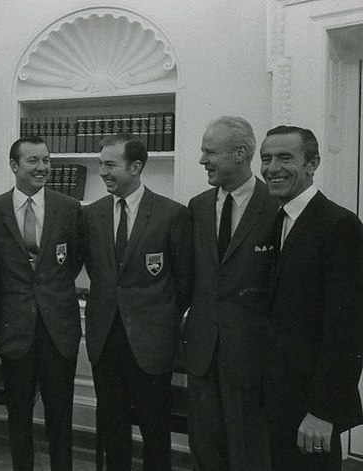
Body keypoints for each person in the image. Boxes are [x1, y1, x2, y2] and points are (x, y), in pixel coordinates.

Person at [82, 132, 192, 471]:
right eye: (101, 164)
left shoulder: (171, 214)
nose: (102, 172)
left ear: (137, 167)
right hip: (105, 340)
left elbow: (184, 282)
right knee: (113, 427)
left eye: (111, 165)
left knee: (154, 431)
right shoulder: (91, 214)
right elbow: (96, 271)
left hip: (151, 343)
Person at [260, 125, 363, 470]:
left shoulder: (339, 225)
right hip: (279, 398)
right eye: (267, 158)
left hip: (312, 408)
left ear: (313, 163)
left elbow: (347, 330)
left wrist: (322, 411)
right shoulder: (281, 220)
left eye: (285, 158)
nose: (272, 168)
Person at [0, 136, 83, 471]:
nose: (42, 168)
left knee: (60, 417)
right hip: (15, 330)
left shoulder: (69, 208)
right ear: (14, 166)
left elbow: (73, 262)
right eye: (33, 161)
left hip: (58, 329)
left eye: (46, 160)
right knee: (19, 416)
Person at [183, 116, 276, 470]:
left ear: (240, 154)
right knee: (205, 452)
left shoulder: (274, 206)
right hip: (203, 353)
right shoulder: (198, 206)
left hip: (252, 358)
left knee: (249, 454)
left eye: (210, 152)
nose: (203, 160)